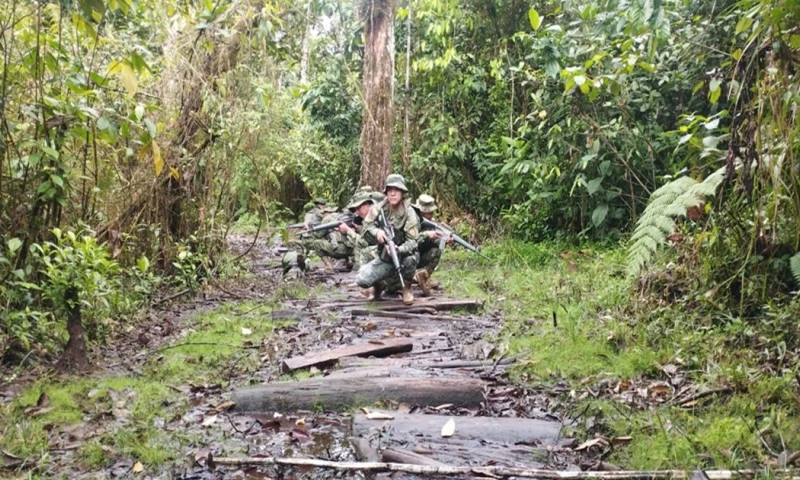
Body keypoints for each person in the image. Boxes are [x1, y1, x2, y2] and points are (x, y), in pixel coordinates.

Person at [356, 174, 420, 305]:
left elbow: (413, 242)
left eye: (396, 190)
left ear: (402, 193)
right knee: (361, 280)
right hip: (384, 257)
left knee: (412, 259)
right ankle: (379, 285)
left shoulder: (409, 212)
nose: (392, 193)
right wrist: (377, 232)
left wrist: (399, 249)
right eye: (390, 190)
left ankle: (406, 287)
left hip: (403, 257)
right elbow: (366, 226)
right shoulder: (378, 208)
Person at [411, 194, 449, 296]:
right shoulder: (411, 220)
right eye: (428, 212)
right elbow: (411, 241)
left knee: (437, 251)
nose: (431, 214)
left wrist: (444, 239)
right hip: (408, 257)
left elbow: (433, 243)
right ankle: (414, 277)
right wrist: (426, 235)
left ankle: (425, 278)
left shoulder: (429, 222)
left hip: (419, 255)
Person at [302, 203, 351, 272]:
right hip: (350, 250)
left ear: (327, 212)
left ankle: (328, 266)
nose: (323, 214)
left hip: (338, 250)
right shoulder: (344, 217)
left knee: (317, 243)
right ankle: (349, 261)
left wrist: (311, 230)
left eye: (324, 213)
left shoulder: (327, 219)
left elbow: (318, 235)